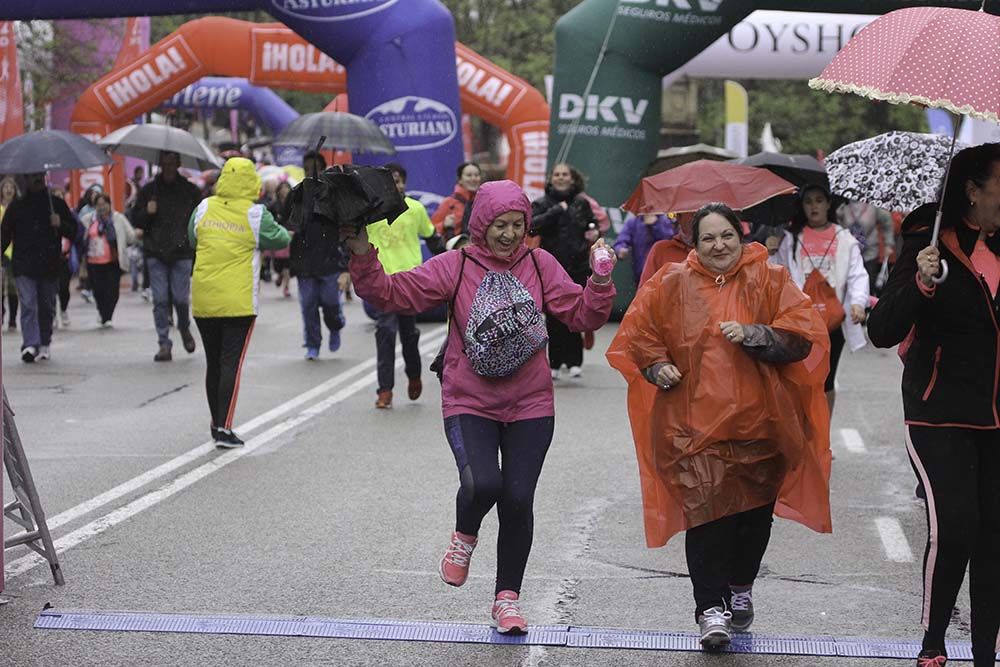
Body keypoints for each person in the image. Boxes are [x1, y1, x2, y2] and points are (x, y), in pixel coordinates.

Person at [345, 179, 615, 634]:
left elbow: (582, 315)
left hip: (531, 402)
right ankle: (464, 536)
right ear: (481, 225)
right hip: (470, 397)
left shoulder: (540, 263)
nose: (509, 235)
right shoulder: (457, 264)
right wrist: (361, 253)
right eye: (499, 225)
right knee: (484, 483)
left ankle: (506, 600)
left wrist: (601, 280)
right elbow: (392, 294)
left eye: (517, 225)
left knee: (518, 498)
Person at [607, 202, 832, 651]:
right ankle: (711, 608)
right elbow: (640, 335)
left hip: (762, 425)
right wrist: (657, 366)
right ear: (694, 243)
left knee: (753, 521)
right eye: (707, 237)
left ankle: (741, 584)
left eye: (726, 235)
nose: (718, 245)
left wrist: (755, 334)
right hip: (692, 429)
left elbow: (802, 336)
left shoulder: (770, 278)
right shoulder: (671, 282)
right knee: (707, 516)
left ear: (740, 234)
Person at [867, 143, 1000, 667]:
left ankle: (987, 651)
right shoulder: (930, 242)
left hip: (997, 416)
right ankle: (933, 642)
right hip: (937, 410)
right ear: (973, 190)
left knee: (994, 532)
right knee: (957, 524)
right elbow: (883, 330)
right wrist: (922, 281)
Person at [188, 157, 291, 447]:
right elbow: (280, 239)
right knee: (231, 362)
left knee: (214, 364)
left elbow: (192, 238)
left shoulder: (204, 207)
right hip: (239, 301)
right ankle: (224, 427)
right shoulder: (256, 214)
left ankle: (216, 422)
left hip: (204, 298)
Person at [774, 185, 869, 415]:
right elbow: (778, 272)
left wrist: (858, 302)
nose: (814, 206)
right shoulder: (791, 239)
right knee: (801, 377)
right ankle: (806, 433)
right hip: (802, 321)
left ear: (829, 204)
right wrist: (771, 252)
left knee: (826, 379)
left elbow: (858, 274)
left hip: (833, 322)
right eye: (808, 201)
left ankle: (822, 437)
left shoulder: (844, 238)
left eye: (819, 200)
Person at [364, 162, 437, 406]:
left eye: (398, 180)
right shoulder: (371, 212)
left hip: (410, 283)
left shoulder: (415, 209)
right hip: (382, 282)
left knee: (409, 335)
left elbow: (431, 236)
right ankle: (384, 391)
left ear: (404, 183)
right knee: (385, 334)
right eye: (390, 181)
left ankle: (414, 374)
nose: (395, 185)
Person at [131, 151, 204, 362]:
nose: (169, 168)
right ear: (160, 165)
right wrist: (148, 212)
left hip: (182, 252)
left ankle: (183, 327)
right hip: (156, 252)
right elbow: (137, 220)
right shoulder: (148, 191)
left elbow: (199, 217)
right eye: (165, 164)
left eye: (173, 164)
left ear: (178, 164)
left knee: (181, 299)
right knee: (161, 300)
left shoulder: (190, 191)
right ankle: (164, 343)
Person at [529, 163, 599, 379]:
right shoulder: (541, 203)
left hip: (577, 266)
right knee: (554, 315)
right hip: (551, 268)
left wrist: (593, 231)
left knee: (575, 313)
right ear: (551, 179)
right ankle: (556, 361)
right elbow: (531, 226)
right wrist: (555, 211)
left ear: (572, 178)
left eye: (565, 174)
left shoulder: (581, 203)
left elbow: (592, 224)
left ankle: (575, 360)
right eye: (557, 175)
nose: (561, 178)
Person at [0, 173, 80, 362]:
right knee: (28, 304)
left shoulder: (56, 204)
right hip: (23, 264)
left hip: (49, 264)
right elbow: (4, 234)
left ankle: (44, 342)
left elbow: (74, 231)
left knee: (46, 306)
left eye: (39, 175)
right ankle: (30, 343)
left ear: (44, 177)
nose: (36, 179)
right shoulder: (17, 206)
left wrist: (60, 224)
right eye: (32, 176)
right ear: (26, 179)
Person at [286, 172, 348, 362]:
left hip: (330, 264)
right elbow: (287, 226)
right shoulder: (298, 203)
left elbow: (346, 237)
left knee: (331, 304)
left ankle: (335, 326)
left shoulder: (336, 204)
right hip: (305, 266)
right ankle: (313, 344)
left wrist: (346, 268)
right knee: (308, 306)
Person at [79, 193, 137, 326]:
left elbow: (130, 236)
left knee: (112, 291)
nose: (102, 207)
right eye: (99, 205)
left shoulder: (118, 219)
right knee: (98, 290)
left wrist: (136, 235)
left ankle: (108, 315)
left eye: (104, 204)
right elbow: (80, 236)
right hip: (93, 262)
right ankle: (102, 312)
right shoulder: (89, 219)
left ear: (110, 205)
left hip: (113, 261)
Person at [838, 199, 896, 296]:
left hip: (870, 253)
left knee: (868, 284)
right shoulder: (843, 207)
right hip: (849, 254)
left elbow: (887, 222)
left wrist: (888, 244)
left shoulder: (873, 206)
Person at [613, 212, 674, 285]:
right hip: (641, 275)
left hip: (662, 275)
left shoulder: (666, 220)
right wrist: (621, 249)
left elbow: (669, 240)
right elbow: (621, 241)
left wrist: (655, 225)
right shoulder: (633, 222)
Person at [639, 212, 695, 285]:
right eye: (693, 214)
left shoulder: (713, 251)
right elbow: (644, 292)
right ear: (679, 217)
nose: (700, 220)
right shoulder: (660, 250)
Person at [431, 161, 481, 242]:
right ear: (460, 180)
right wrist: (444, 225)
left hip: (479, 250)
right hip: (454, 251)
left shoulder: (483, 202)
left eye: (476, 175)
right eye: (469, 175)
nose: (473, 178)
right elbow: (431, 230)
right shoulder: (449, 203)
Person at [1, 176, 21, 329]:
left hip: (15, 253)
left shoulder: (18, 208)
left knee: (13, 287)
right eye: (5, 187)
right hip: (2, 252)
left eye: (11, 187)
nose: (8, 189)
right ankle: (1, 314)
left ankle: (13, 319)